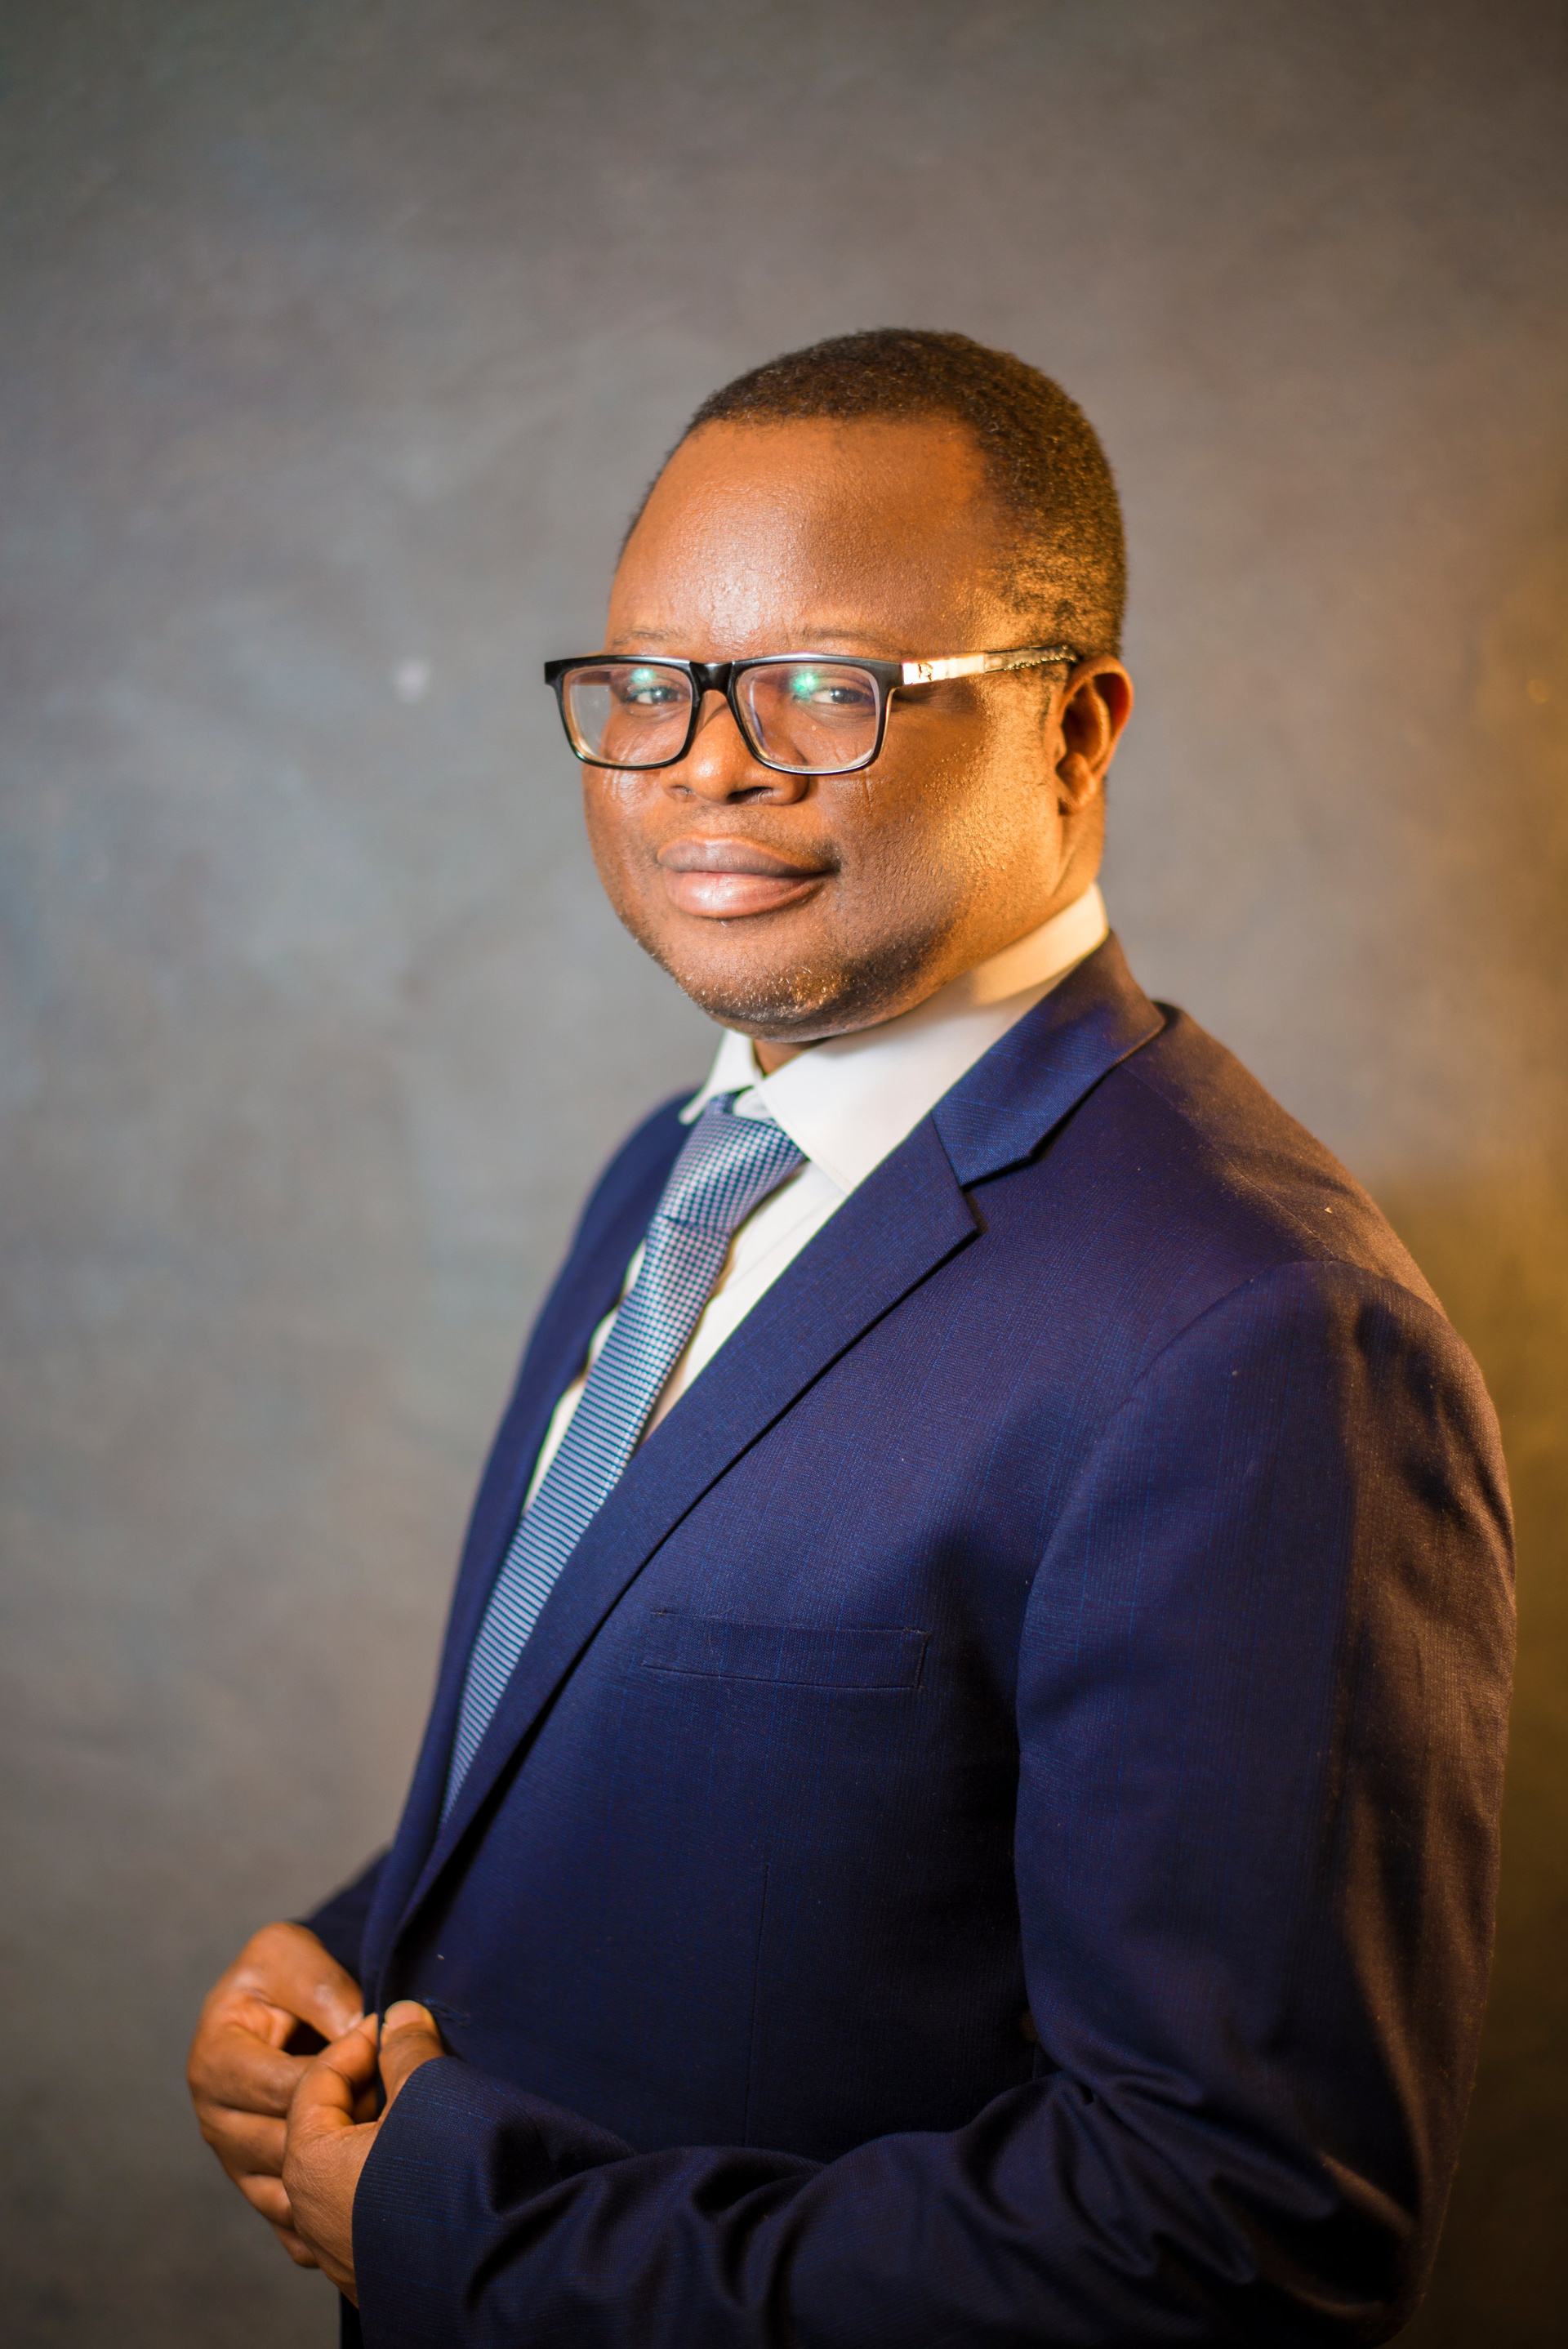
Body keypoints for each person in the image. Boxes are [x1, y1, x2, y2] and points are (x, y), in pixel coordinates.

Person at [187, 329, 1514, 2347]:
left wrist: (473, 2227)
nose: (704, 766)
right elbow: (713, 1788)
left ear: (1075, 730)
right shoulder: (687, 1164)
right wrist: (355, 1959)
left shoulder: (1260, 1337)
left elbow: (1231, 2240)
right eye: (650, 683)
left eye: (828, 685)